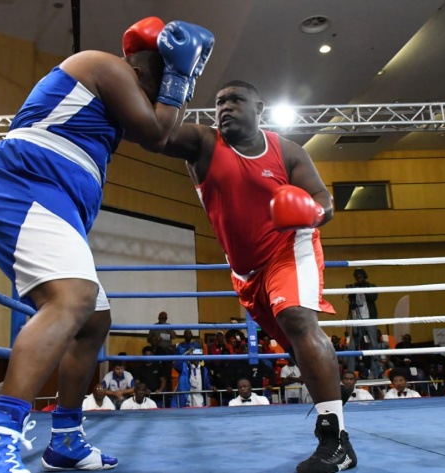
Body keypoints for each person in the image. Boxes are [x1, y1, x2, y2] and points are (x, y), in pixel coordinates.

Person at [0, 17, 215, 472]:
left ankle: (67, 438)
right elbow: (157, 133)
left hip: (55, 201)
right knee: (72, 300)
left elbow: (170, 134)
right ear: (152, 63)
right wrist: (180, 75)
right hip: (27, 185)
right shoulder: (106, 66)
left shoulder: (117, 103)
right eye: (168, 70)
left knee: (95, 321)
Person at [161, 80, 355, 472]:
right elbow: (155, 131)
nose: (225, 107)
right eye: (219, 102)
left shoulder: (286, 151)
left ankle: (335, 440)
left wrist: (311, 213)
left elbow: (323, 200)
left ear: (258, 108)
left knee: (298, 319)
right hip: (244, 270)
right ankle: (334, 388)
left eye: (235, 100)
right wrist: (171, 82)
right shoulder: (204, 143)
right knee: (292, 343)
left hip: (289, 247)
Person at [346, 268, 380, 377]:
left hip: (370, 319)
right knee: (352, 346)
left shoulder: (371, 286)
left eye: (360, 275)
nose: (358, 277)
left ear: (364, 276)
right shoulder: (354, 288)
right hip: (357, 320)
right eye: (356, 276)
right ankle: (350, 372)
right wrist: (351, 293)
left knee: (373, 345)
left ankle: (374, 372)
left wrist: (363, 287)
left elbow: (372, 297)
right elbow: (351, 305)